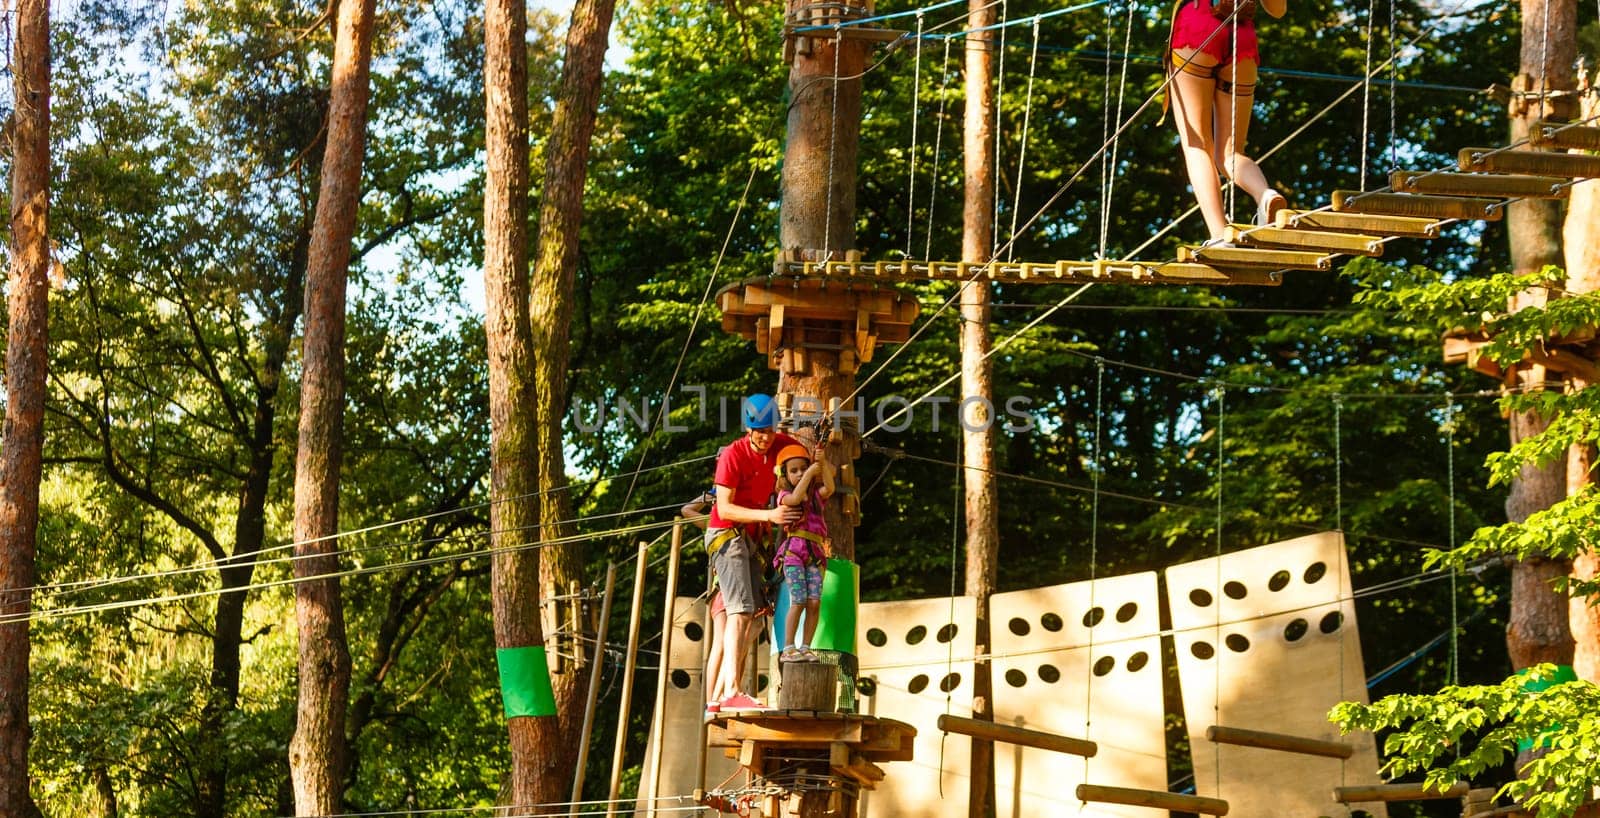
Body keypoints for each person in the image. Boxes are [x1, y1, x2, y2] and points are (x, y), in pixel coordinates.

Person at [704, 395, 803, 711]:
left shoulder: (779, 444)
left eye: (770, 430)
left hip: (753, 540)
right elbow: (724, 507)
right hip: (726, 533)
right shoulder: (733, 455)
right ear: (748, 428)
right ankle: (731, 690)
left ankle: (722, 696)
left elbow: (805, 460)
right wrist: (770, 517)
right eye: (759, 430)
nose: (766, 437)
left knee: (753, 620)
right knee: (740, 612)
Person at [1167, 0, 1289, 247]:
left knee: (1196, 145)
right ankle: (1264, 194)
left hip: (1197, 26)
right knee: (1231, 152)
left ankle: (1220, 234)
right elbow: (1278, 11)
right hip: (1242, 38)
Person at [770, 443, 834, 662]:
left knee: (814, 602)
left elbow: (831, 487)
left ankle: (806, 646)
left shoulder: (816, 495)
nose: (799, 474)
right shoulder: (784, 495)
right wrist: (809, 473)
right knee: (798, 600)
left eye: (802, 469)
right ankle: (788, 648)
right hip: (794, 553)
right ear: (785, 474)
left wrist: (822, 463)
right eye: (794, 470)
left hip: (815, 554)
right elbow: (795, 499)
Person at [679, 487, 728, 710]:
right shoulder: (716, 524)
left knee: (738, 642)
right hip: (724, 589)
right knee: (723, 641)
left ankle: (722, 694)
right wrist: (712, 494)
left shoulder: (740, 519)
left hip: (739, 589)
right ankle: (715, 698)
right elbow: (687, 510)